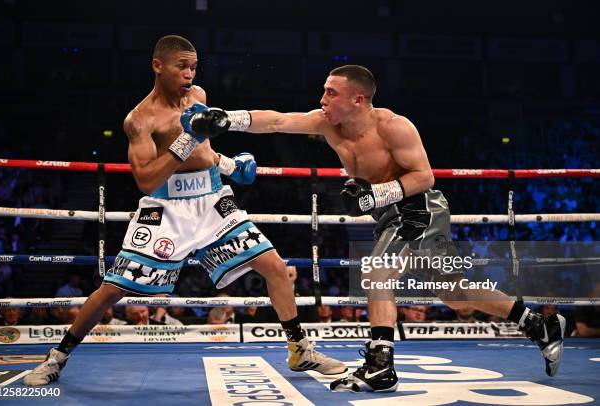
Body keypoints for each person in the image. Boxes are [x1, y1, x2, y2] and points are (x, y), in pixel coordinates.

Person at [195, 64, 566, 392]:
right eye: (324, 90)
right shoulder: (327, 124)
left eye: (331, 92)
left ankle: (381, 365)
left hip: (419, 209)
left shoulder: (393, 126)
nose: (322, 98)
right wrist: (227, 118)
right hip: (391, 214)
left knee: (377, 273)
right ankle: (537, 323)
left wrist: (373, 196)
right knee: (454, 294)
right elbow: (276, 120)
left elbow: (424, 177)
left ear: (358, 99)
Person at [24, 35, 344, 386]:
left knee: (275, 267)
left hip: (211, 199)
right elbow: (145, 179)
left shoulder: (199, 96)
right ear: (158, 66)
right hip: (165, 208)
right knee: (113, 289)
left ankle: (300, 350)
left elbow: (202, 150)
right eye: (182, 66)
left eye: (193, 66)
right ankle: (56, 357)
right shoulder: (140, 120)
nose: (189, 74)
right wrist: (185, 138)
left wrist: (228, 165)